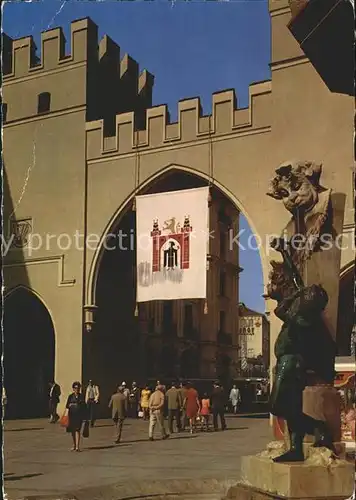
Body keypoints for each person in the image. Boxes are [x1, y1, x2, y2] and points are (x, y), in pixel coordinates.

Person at [65, 382, 87, 452]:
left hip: (79, 416)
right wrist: (71, 405)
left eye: (78, 388)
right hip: (71, 415)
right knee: (72, 431)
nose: (77, 390)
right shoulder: (70, 396)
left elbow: (84, 406)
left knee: (77, 430)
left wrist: (85, 417)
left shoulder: (81, 396)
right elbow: (67, 406)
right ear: (73, 389)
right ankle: (74, 445)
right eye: (75, 388)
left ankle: (77, 446)